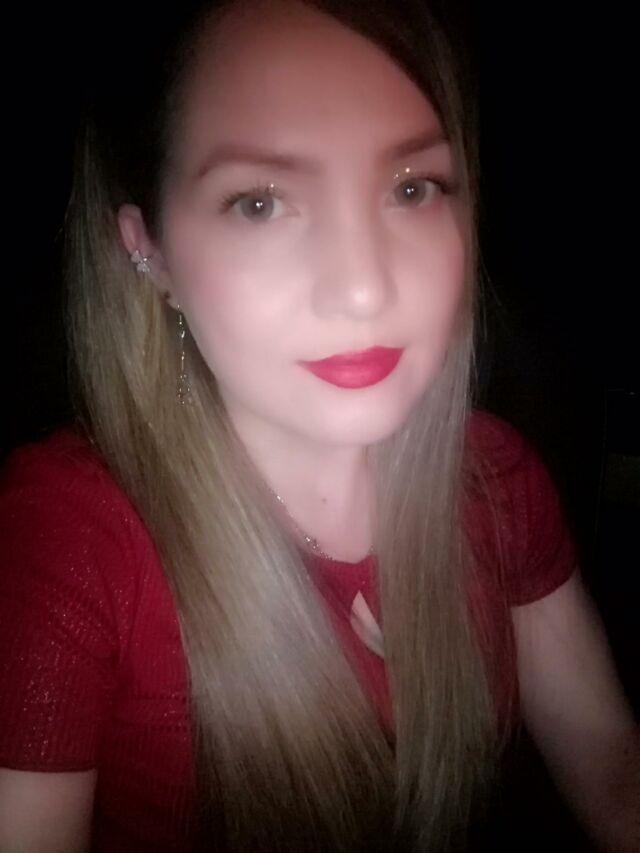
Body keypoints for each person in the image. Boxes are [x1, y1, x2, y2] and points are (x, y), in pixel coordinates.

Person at [0, 1, 637, 850]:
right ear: (148, 249)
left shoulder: (497, 480)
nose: (364, 288)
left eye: (411, 188)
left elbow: (615, 781)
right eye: (259, 203)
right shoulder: (72, 539)